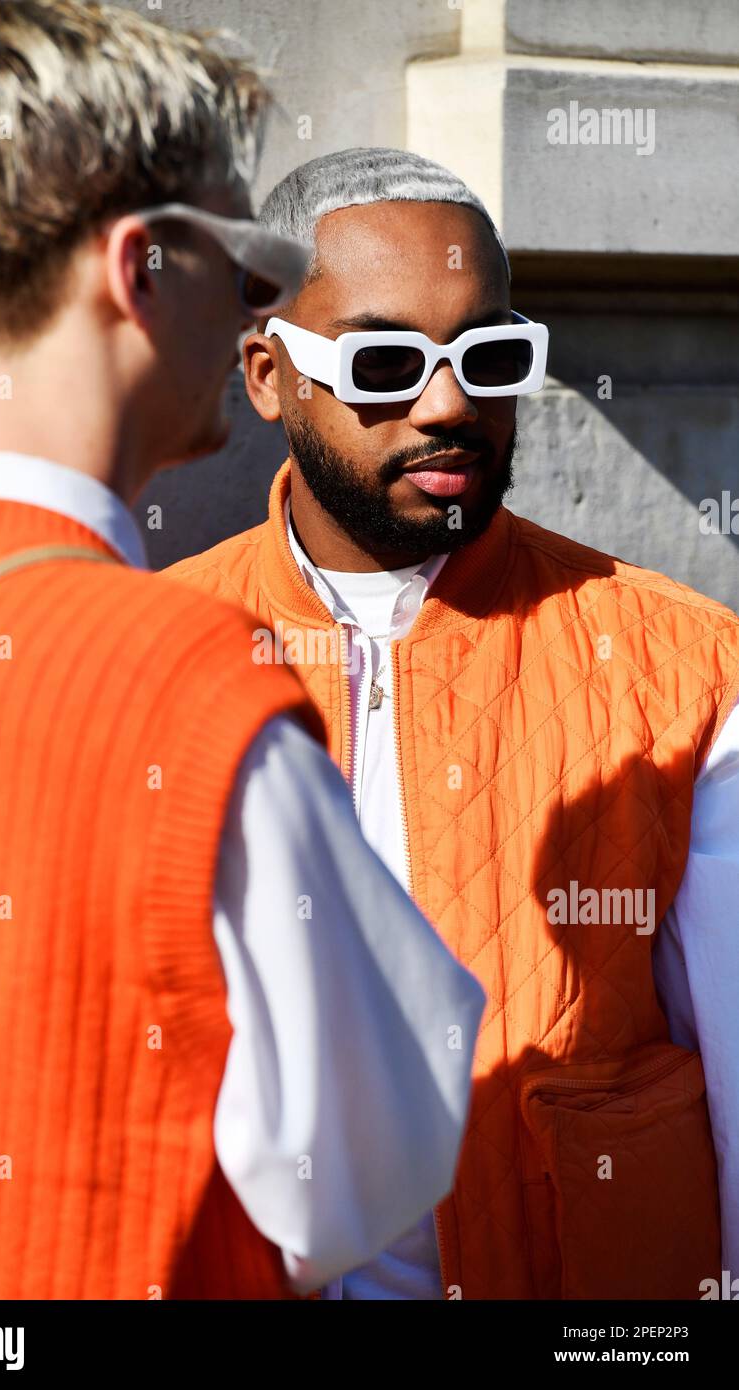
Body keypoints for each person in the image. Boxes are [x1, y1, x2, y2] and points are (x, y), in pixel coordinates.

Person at [0, 12, 486, 1300]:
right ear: (142, 268)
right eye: (250, 257)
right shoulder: (190, 681)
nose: (263, 304)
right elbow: (372, 1164)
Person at [164, 144, 739, 1300]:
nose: (447, 404)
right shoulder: (151, 653)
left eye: (485, 356)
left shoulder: (684, 663)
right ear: (268, 374)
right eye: (383, 363)